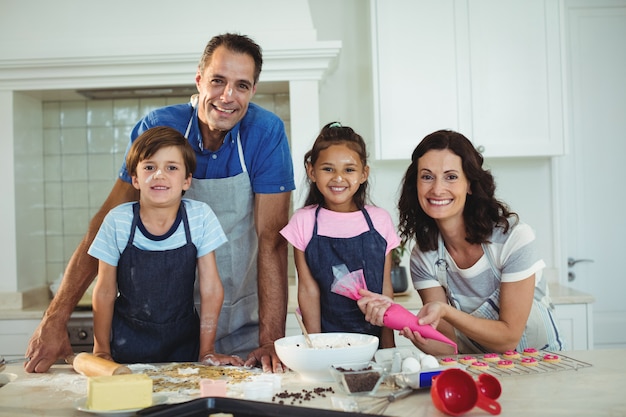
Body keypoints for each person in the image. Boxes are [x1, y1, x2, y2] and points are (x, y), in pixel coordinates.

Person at [25, 33, 294, 373]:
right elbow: (106, 224)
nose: (228, 96)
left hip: (239, 324)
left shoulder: (265, 133)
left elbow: (272, 240)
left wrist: (271, 340)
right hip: (159, 332)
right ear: (199, 80)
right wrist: (55, 316)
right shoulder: (158, 127)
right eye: (217, 81)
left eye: (241, 85)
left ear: (253, 90)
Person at [357, 129, 564, 355]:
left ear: (470, 184)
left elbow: (508, 338)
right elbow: (446, 346)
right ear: (415, 184)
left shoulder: (513, 239)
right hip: (477, 369)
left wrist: (445, 311)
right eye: (427, 176)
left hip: (542, 366)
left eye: (451, 176)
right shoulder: (424, 256)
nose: (437, 189)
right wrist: (403, 321)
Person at [89, 126, 241, 365]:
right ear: (135, 179)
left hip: (184, 348)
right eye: (149, 167)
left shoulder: (199, 217)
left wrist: (207, 351)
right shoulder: (118, 221)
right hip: (127, 349)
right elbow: (105, 291)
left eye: (171, 168)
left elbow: (211, 289)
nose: (159, 175)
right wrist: (101, 351)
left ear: (187, 180)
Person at [280, 122, 399, 348]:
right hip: (326, 342)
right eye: (328, 169)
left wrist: (388, 347)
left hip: (371, 343)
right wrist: (314, 347)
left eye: (349, 170)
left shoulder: (380, 220)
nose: (338, 178)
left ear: (364, 174)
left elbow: (385, 289)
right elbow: (308, 289)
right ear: (311, 172)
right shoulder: (303, 221)